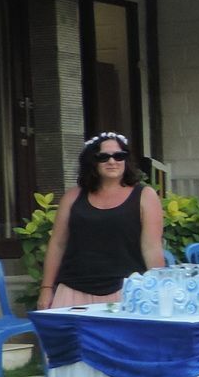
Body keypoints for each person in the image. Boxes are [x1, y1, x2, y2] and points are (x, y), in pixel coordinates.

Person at [39, 132, 163, 308]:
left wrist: (159, 290)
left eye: (119, 156)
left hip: (127, 291)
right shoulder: (72, 197)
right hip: (72, 291)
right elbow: (57, 244)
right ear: (92, 161)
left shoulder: (145, 196)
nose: (112, 162)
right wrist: (46, 288)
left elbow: (152, 248)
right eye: (103, 157)